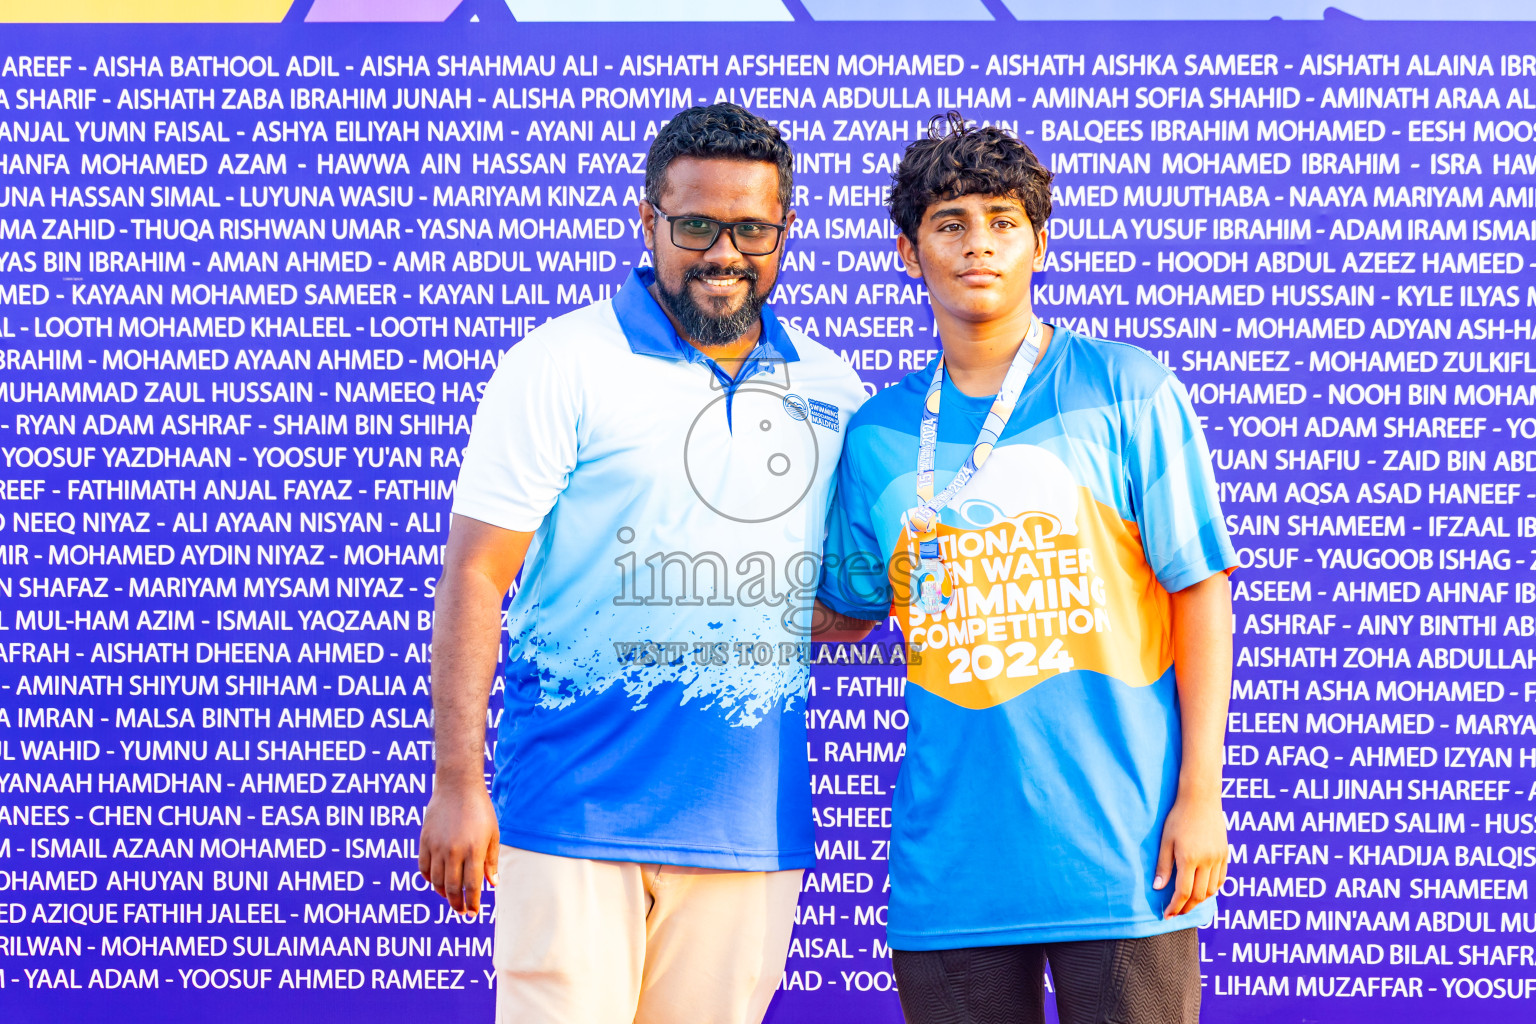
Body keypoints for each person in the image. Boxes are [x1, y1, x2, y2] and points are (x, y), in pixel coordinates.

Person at [418, 102, 867, 1024]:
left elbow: (849, 600)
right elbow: (474, 576)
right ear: (648, 221)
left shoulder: (833, 388)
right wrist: (458, 782)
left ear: (786, 232)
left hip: (749, 828)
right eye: (696, 224)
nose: (724, 252)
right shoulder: (559, 364)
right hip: (572, 816)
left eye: (752, 228)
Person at [813, 113, 1236, 1024]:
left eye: (1003, 221)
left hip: (1122, 857)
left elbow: (1201, 592)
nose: (978, 244)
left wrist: (1200, 797)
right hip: (953, 869)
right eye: (951, 221)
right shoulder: (879, 434)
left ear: (1039, 243)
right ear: (907, 249)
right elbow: (844, 609)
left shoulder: (1128, 389)